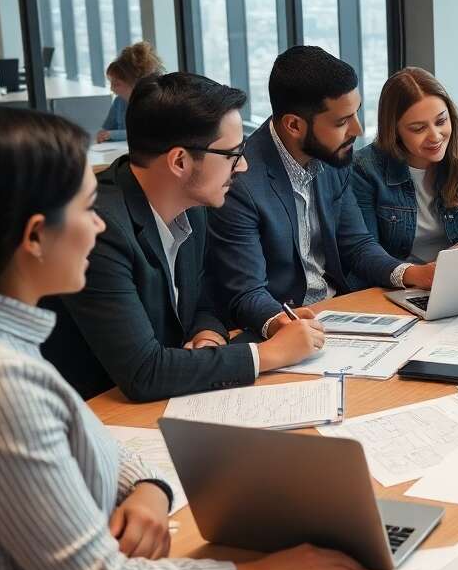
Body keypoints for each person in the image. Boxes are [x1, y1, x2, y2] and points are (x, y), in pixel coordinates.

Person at [0, 105, 375, 570]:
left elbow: (93, 439)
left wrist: (149, 484)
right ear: (36, 236)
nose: (99, 226)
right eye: (87, 209)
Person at [41, 73, 325, 402]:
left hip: (167, 399)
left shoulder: (191, 205)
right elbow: (143, 373)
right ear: (180, 161)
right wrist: (269, 354)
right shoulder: (100, 230)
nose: (243, 166)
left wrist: (207, 335)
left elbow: (203, 301)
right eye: (233, 155)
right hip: (95, 409)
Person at [208, 46, 406, 339]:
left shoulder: (333, 157)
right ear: (294, 125)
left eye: (356, 113)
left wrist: (411, 273)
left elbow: (357, 245)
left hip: (337, 312)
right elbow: (247, 292)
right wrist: (284, 325)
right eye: (341, 122)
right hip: (283, 325)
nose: (357, 129)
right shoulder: (239, 180)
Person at [351, 67, 458, 289]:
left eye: (441, 121)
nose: (435, 136)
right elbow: (364, 252)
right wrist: (415, 275)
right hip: (393, 289)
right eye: (418, 129)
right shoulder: (365, 168)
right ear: (395, 131)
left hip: (455, 282)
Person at [97, 40, 164, 143]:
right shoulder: (119, 102)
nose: (112, 88)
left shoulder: (156, 103)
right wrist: (102, 134)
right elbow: (106, 128)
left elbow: (145, 132)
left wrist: (112, 135)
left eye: (117, 84)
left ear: (135, 83)